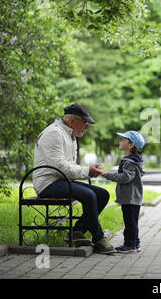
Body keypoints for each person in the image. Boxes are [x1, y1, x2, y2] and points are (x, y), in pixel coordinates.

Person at [32, 103, 115, 254]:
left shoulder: (70, 135)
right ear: (72, 121)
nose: (87, 127)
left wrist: (89, 170)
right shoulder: (54, 133)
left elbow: (68, 167)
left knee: (103, 194)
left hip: (62, 180)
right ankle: (98, 238)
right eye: (85, 123)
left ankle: (77, 231)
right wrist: (87, 171)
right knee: (89, 195)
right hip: (47, 183)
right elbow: (59, 167)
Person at [99, 131, 145, 254]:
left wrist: (106, 174)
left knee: (130, 222)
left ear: (131, 145)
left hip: (130, 197)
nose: (120, 141)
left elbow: (125, 178)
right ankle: (135, 243)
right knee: (132, 222)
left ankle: (130, 245)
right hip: (131, 197)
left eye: (123, 139)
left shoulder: (130, 162)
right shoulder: (132, 160)